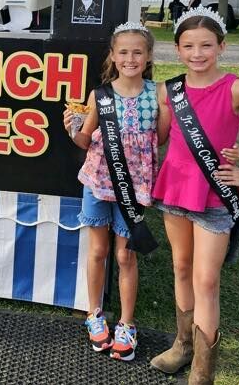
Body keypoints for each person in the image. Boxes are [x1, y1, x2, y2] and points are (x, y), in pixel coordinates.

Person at [150, 7, 239, 385]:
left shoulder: (235, 88)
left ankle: (202, 382)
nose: (197, 53)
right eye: (188, 46)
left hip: (214, 196)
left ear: (222, 47)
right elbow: (160, 138)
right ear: (177, 49)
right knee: (182, 268)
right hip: (174, 189)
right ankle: (183, 346)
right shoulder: (168, 91)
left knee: (208, 281)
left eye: (206, 45)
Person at [63, 23, 169, 361]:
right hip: (97, 181)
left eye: (138, 52)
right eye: (123, 52)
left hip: (134, 187)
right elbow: (85, 139)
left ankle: (126, 323)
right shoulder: (101, 95)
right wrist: (72, 129)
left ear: (149, 56)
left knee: (125, 255)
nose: (130, 58)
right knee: (97, 250)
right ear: (113, 55)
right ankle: (94, 314)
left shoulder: (159, 94)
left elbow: (161, 139)